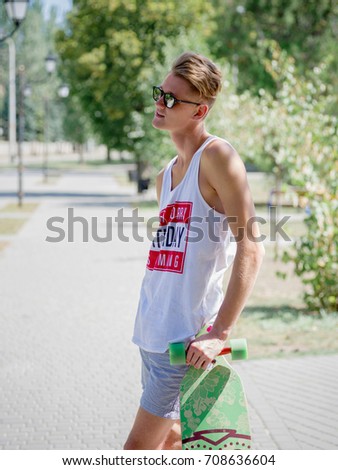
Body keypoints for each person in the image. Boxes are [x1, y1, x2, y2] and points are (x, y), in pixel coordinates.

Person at [124, 52, 264, 450]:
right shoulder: (165, 176)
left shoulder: (218, 157)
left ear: (200, 110)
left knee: (136, 452)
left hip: (185, 345)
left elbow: (251, 248)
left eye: (172, 99)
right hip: (151, 339)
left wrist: (219, 331)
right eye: (160, 93)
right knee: (172, 442)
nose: (160, 103)